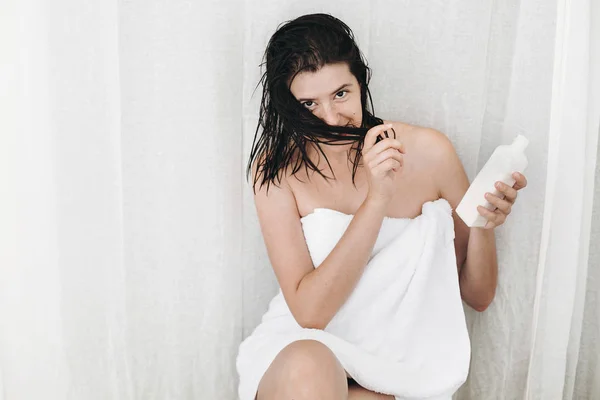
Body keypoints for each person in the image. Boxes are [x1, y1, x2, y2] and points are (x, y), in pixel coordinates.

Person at [237, 13, 528, 400]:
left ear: (361, 82)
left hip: (398, 365)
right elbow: (310, 314)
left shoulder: (429, 153)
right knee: (310, 365)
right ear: (288, 105)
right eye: (308, 103)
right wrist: (378, 198)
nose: (330, 117)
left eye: (341, 94)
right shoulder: (277, 172)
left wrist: (483, 225)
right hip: (304, 353)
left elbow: (478, 295)